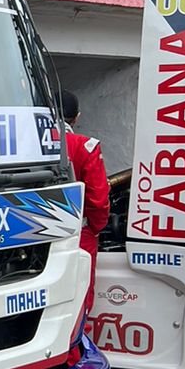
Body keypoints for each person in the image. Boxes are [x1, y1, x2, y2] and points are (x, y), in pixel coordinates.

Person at [60, 90, 109, 313]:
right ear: (77, 117)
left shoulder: (24, 145)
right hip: (79, 234)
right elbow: (98, 201)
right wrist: (95, 228)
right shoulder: (85, 146)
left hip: (29, 237)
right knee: (78, 301)